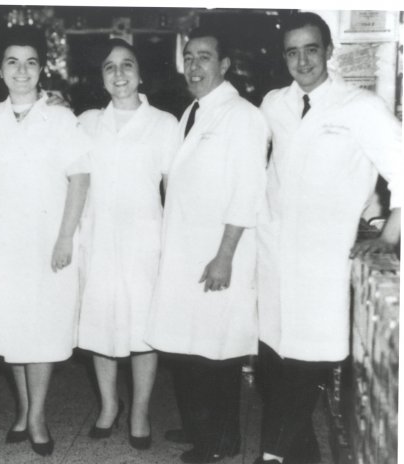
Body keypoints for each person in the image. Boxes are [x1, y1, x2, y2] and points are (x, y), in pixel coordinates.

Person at [255, 12, 401, 464]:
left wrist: (392, 233)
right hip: (274, 255)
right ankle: (301, 458)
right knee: (274, 365)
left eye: (311, 49)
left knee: (309, 363)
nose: (302, 60)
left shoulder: (360, 106)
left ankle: (271, 455)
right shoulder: (273, 103)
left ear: (329, 50)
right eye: (292, 52)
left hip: (324, 261)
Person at [146, 26, 269, 464]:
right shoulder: (194, 112)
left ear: (224, 66)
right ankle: (202, 427)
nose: (195, 66)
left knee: (216, 354)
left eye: (205, 57)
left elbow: (248, 190)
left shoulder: (243, 116)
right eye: (190, 57)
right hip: (187, 251)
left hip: (218, 255)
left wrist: (224, 256)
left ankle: (220, 443)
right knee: (192, 348)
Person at [0, 26, 90, 457]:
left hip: (49, 243)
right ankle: (23, 410)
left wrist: (65, 238)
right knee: (13, 329)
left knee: (42, 329)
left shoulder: (61, 118)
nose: (21, 71)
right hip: (3, 244)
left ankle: (39, 415)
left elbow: (80, 179)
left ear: (41, 69)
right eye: (12, 62)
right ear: (0, 70)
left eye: (30, 62)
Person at [77, 38, 179, 450]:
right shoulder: (84, 122)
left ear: (140, 72)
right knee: (100, 328)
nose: (118, 74)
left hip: (144, 243)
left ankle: (139, 412)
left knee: (142, 333)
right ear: (100, 76)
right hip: (97, 239)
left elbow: (175, 191)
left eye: (126, 65)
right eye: (109, 67)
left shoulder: (164, 124)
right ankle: (107, 406)